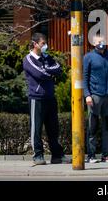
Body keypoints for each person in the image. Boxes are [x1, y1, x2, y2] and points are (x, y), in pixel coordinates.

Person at [23, 32, 69, 165]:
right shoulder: (28, 59)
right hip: (36, 98)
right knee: (36, 129)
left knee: (53, 129)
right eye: (43, 43)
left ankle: (57, 156)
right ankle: (38, 155)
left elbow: (58, 68)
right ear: (35, 44)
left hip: (50, 97)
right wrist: (49, 72)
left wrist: (47, 69)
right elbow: (39, 74)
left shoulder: (47, 57)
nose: (45, 46)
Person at [83, 35, 108, 163]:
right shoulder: (88, 57)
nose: (102, 43)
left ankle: (107, 155)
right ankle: (91, 155)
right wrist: (87, 94)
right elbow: (85, 77)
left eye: (103, 41)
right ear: (94, 43)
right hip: (95, 96)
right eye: (99, 42)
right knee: (92, 127)